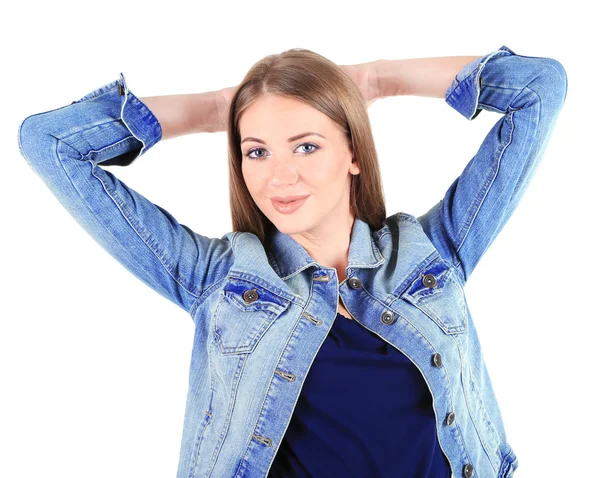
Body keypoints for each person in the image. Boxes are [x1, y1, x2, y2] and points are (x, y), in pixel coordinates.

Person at [17, 44, 567, 478]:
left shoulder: (434, 255)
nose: (279, 176)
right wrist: (218, 111)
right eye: (257, 150)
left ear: (353, 152)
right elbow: (51, 141)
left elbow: (539, 87)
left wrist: (377, 79)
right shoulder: (219, 279)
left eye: (305, 145)